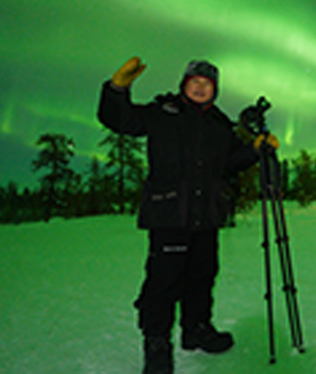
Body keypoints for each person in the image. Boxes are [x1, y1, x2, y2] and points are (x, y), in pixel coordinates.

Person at [98, 57, 277, 374]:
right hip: (170, 213)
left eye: (207, 84)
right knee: (163, 282)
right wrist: (117, 89)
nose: (200, 87)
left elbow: (229, 163)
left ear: (215, 90)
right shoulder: (162, 112)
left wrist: (255, 149)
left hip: (206, 215)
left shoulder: (219, 125)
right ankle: (157, 343)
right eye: (195, 81)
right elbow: (120, 119)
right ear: (184, 84)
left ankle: (197, 329)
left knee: (202, 276)